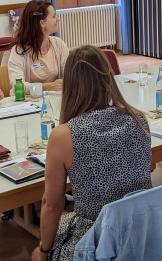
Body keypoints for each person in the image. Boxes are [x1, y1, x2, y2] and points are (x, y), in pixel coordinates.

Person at [32, 46, 151, 261]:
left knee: (40, 246)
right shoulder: (138, 119)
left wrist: (43, 250)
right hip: (142, 233)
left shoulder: (65, 135)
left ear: (70, 85)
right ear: (108, 78)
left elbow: (52, 205)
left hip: (96, 241)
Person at [9, 0, 70, 92]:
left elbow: (69, 78)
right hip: (29, 103)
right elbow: (18, 85)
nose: (58, 19)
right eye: (54, 16)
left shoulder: (59, 45)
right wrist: (49, 87)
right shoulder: (19, 51)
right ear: (42, 23)